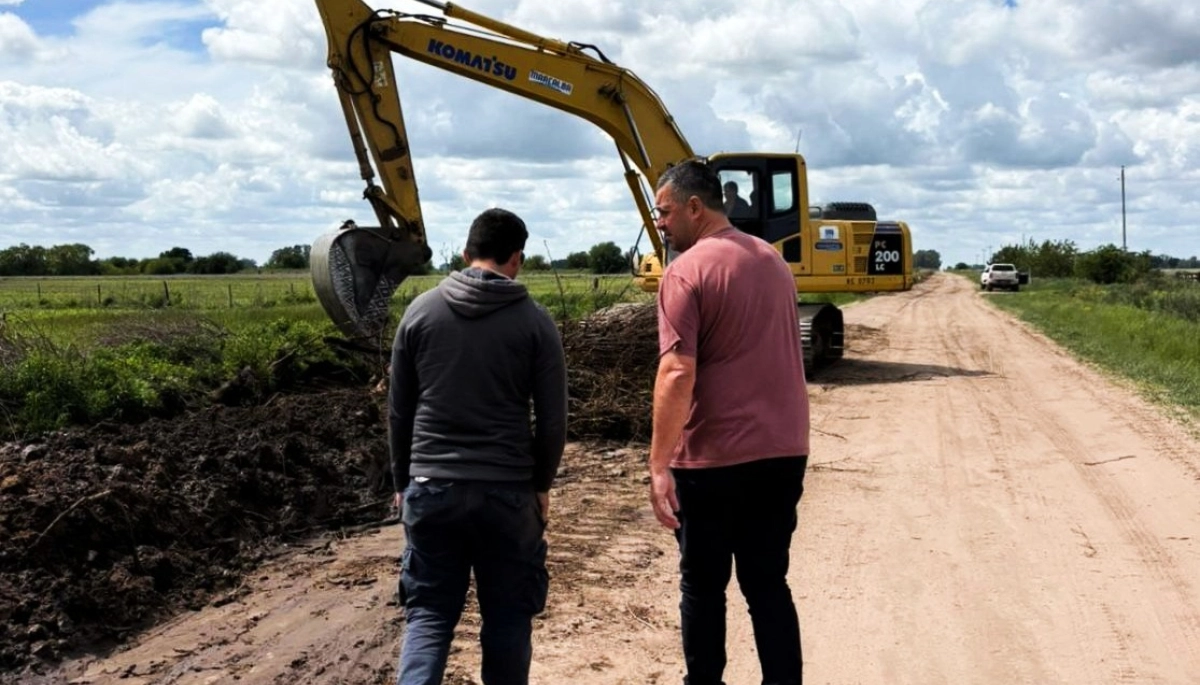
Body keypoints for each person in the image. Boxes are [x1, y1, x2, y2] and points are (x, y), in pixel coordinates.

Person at [388, 207, 568, 685]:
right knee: (508, 617)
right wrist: (541, 485)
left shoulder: (419, 313)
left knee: (427, 617)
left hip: (430, 487)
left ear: (466, 254)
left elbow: (399, 411)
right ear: (517, 260)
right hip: (507, 494)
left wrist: (401, 482)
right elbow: (553, 421)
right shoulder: (535, 322)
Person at [650, 160, 810, 685]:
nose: (661, 224)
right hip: (783, 453)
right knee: (768, 584)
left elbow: (676, 372)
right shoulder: (772, 260)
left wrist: (657, 465)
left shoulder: (686, 271)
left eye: (666, 212)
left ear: (696, 208)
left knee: (702, 585)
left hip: (713, 461)